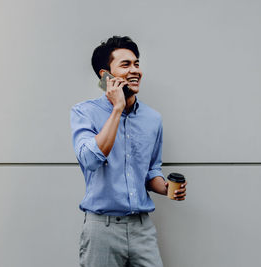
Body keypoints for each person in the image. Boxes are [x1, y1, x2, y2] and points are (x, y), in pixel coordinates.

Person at [70, 36, 187, 267]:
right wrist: (117, 109)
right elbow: (90, 159)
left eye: (137, 63)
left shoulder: (153, 119)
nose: (135, 70)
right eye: (126, 65)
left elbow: (150, 171)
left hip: (141, 229)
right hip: (102, 229)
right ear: (106, 75)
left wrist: (165, 188)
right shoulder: (84, 112)